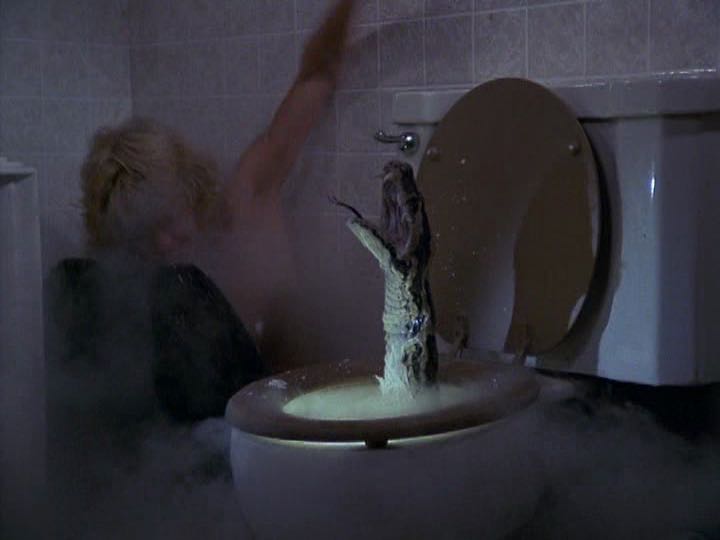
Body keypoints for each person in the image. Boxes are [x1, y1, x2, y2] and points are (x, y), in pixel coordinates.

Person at [48, 0, 359, 423]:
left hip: (296, 433)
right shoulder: (124, 295)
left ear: (189, 190)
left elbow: (315, 76)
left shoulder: (243, 207)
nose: (161, 244)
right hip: (199, 449)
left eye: (166, 220)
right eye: (140, 235)